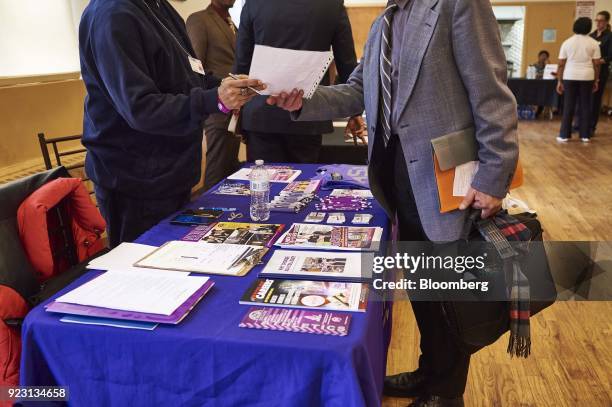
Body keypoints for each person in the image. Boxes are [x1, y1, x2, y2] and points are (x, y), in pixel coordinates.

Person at [269, 0, 518, 406]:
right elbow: (356, 90)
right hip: (397, 177)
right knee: (422, 284)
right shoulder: (385, 20)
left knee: (447, 290)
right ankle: (429, 371)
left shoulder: (457, 5)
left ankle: (446, 392)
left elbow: (491, 93)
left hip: (449, 177)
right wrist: (303, 102)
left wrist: (493, 176)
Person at [79, 0, 263, 248]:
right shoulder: (113, 14)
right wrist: (214, 99)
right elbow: (141, 108)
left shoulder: (158, 6)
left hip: (171, 173)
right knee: (146, 274)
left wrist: (227, 86)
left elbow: (191, 76)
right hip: (136, 180)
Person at [233, 0, 364, 163]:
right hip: (309, 112)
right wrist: (355, 112)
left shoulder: (254, 4)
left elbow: (242, 64)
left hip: (261, 113)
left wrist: (236, 105)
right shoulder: (332, 5)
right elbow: (346, 62)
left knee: (263, 183)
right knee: (304, 184)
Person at [187, 0, 241, 190]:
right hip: (216, 108)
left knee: (230, 169)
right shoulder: (199, 20)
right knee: (217, 169)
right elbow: (194, 68)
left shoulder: (232, 24)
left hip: (236, 108)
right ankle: (207, 211)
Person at [556, 17, 601, 143]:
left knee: (568, 105)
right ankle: (585, 135)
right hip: (587, 76)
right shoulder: (594, 43)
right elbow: (597, 64)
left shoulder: (567, 42)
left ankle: (564, 135)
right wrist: (596, 80)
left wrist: (559, 81)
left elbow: (561, 63)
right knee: (585, 105)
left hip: (570, 76)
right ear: (588, 28)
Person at [589, 11, 612, 134]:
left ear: (606, 22)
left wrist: (599, 61)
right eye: (596, 20)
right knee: (585, 99)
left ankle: (592, 126)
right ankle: (581, 124)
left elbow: (609, 55)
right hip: (588, 71)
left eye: (601, 20)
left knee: (595, 99)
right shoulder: (591, 35)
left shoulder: (609, 36)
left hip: (601, 72)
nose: (598, 23)